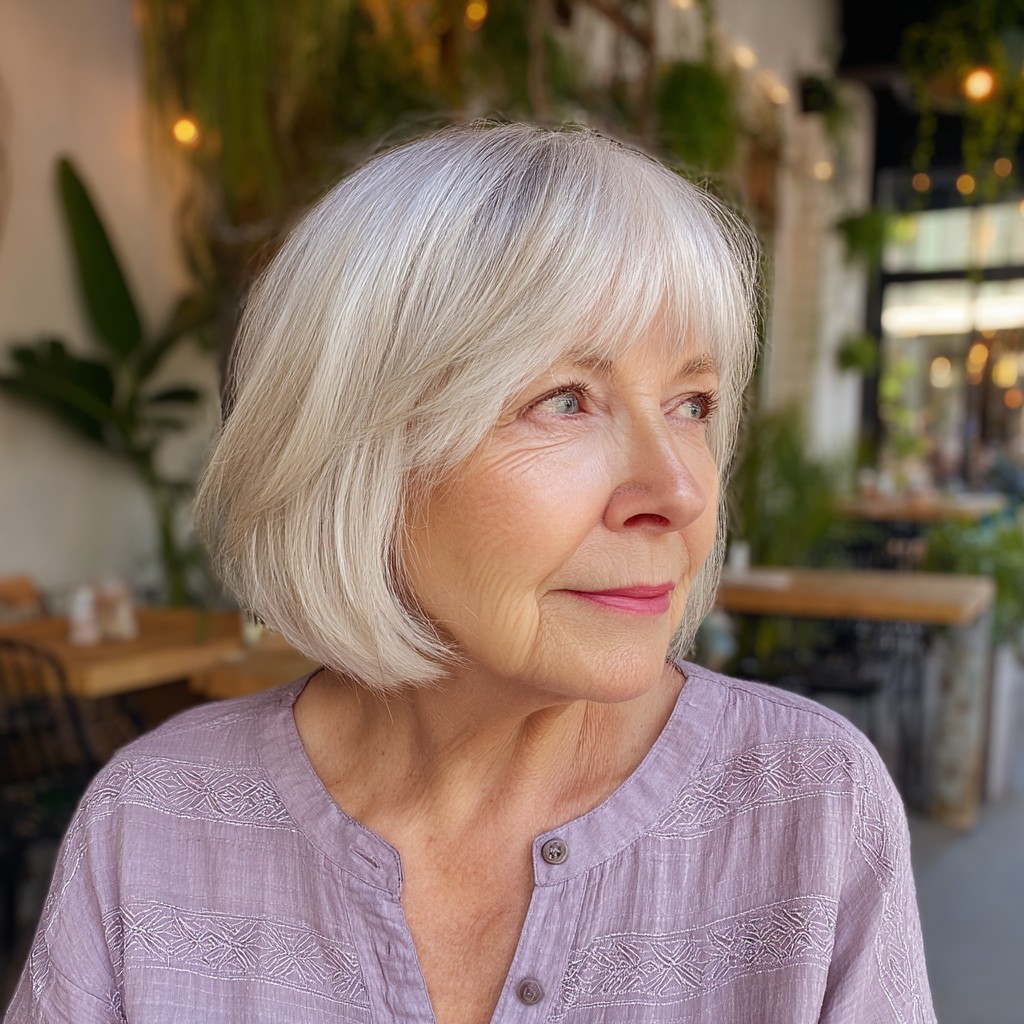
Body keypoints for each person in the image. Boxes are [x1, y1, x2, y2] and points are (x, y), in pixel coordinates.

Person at [5, 122, 935, 1024]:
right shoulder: (153, 823)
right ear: (358, 454)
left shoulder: (808, 808)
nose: (680, 492)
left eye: (692, 403)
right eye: (564, 400)